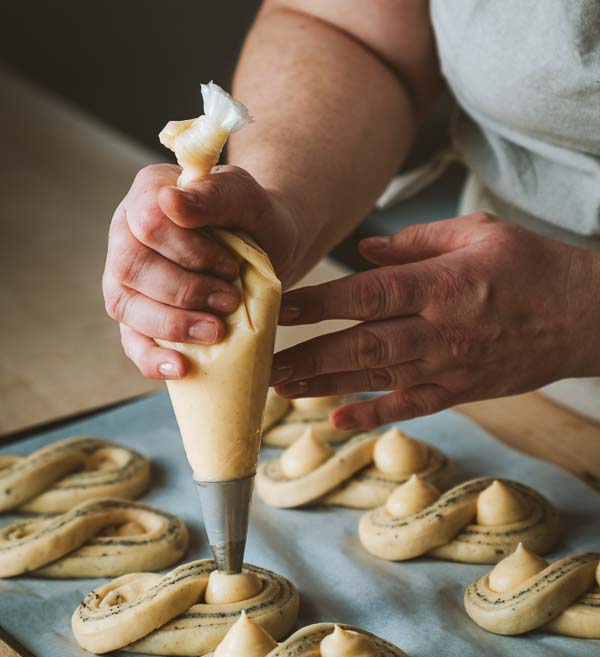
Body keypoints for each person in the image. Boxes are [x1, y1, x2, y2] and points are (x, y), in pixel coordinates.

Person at [102, 0, 600, 430]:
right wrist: (279, 203)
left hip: (507, 349)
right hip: (491, 376)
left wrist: (580, 308)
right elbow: (350, 29)